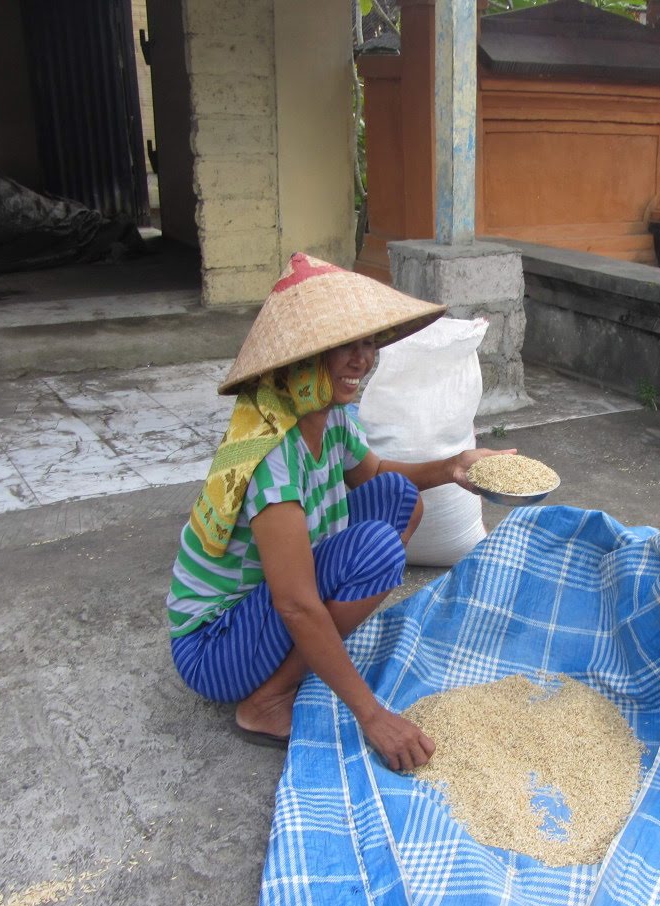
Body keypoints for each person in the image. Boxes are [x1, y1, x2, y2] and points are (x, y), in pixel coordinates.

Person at [165, 253, 512, 771]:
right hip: (214, 646)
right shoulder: (271, 455)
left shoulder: (331, 414)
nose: (362, 359)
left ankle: (297, 664)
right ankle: (266, 701)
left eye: (367, 343)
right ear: (300, 360)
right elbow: (296, 605)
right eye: (343, 347)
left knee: (398, 496)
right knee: (374, 553)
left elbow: (374, 475)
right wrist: (372, 716)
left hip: (259, 616)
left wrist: (456, 466)